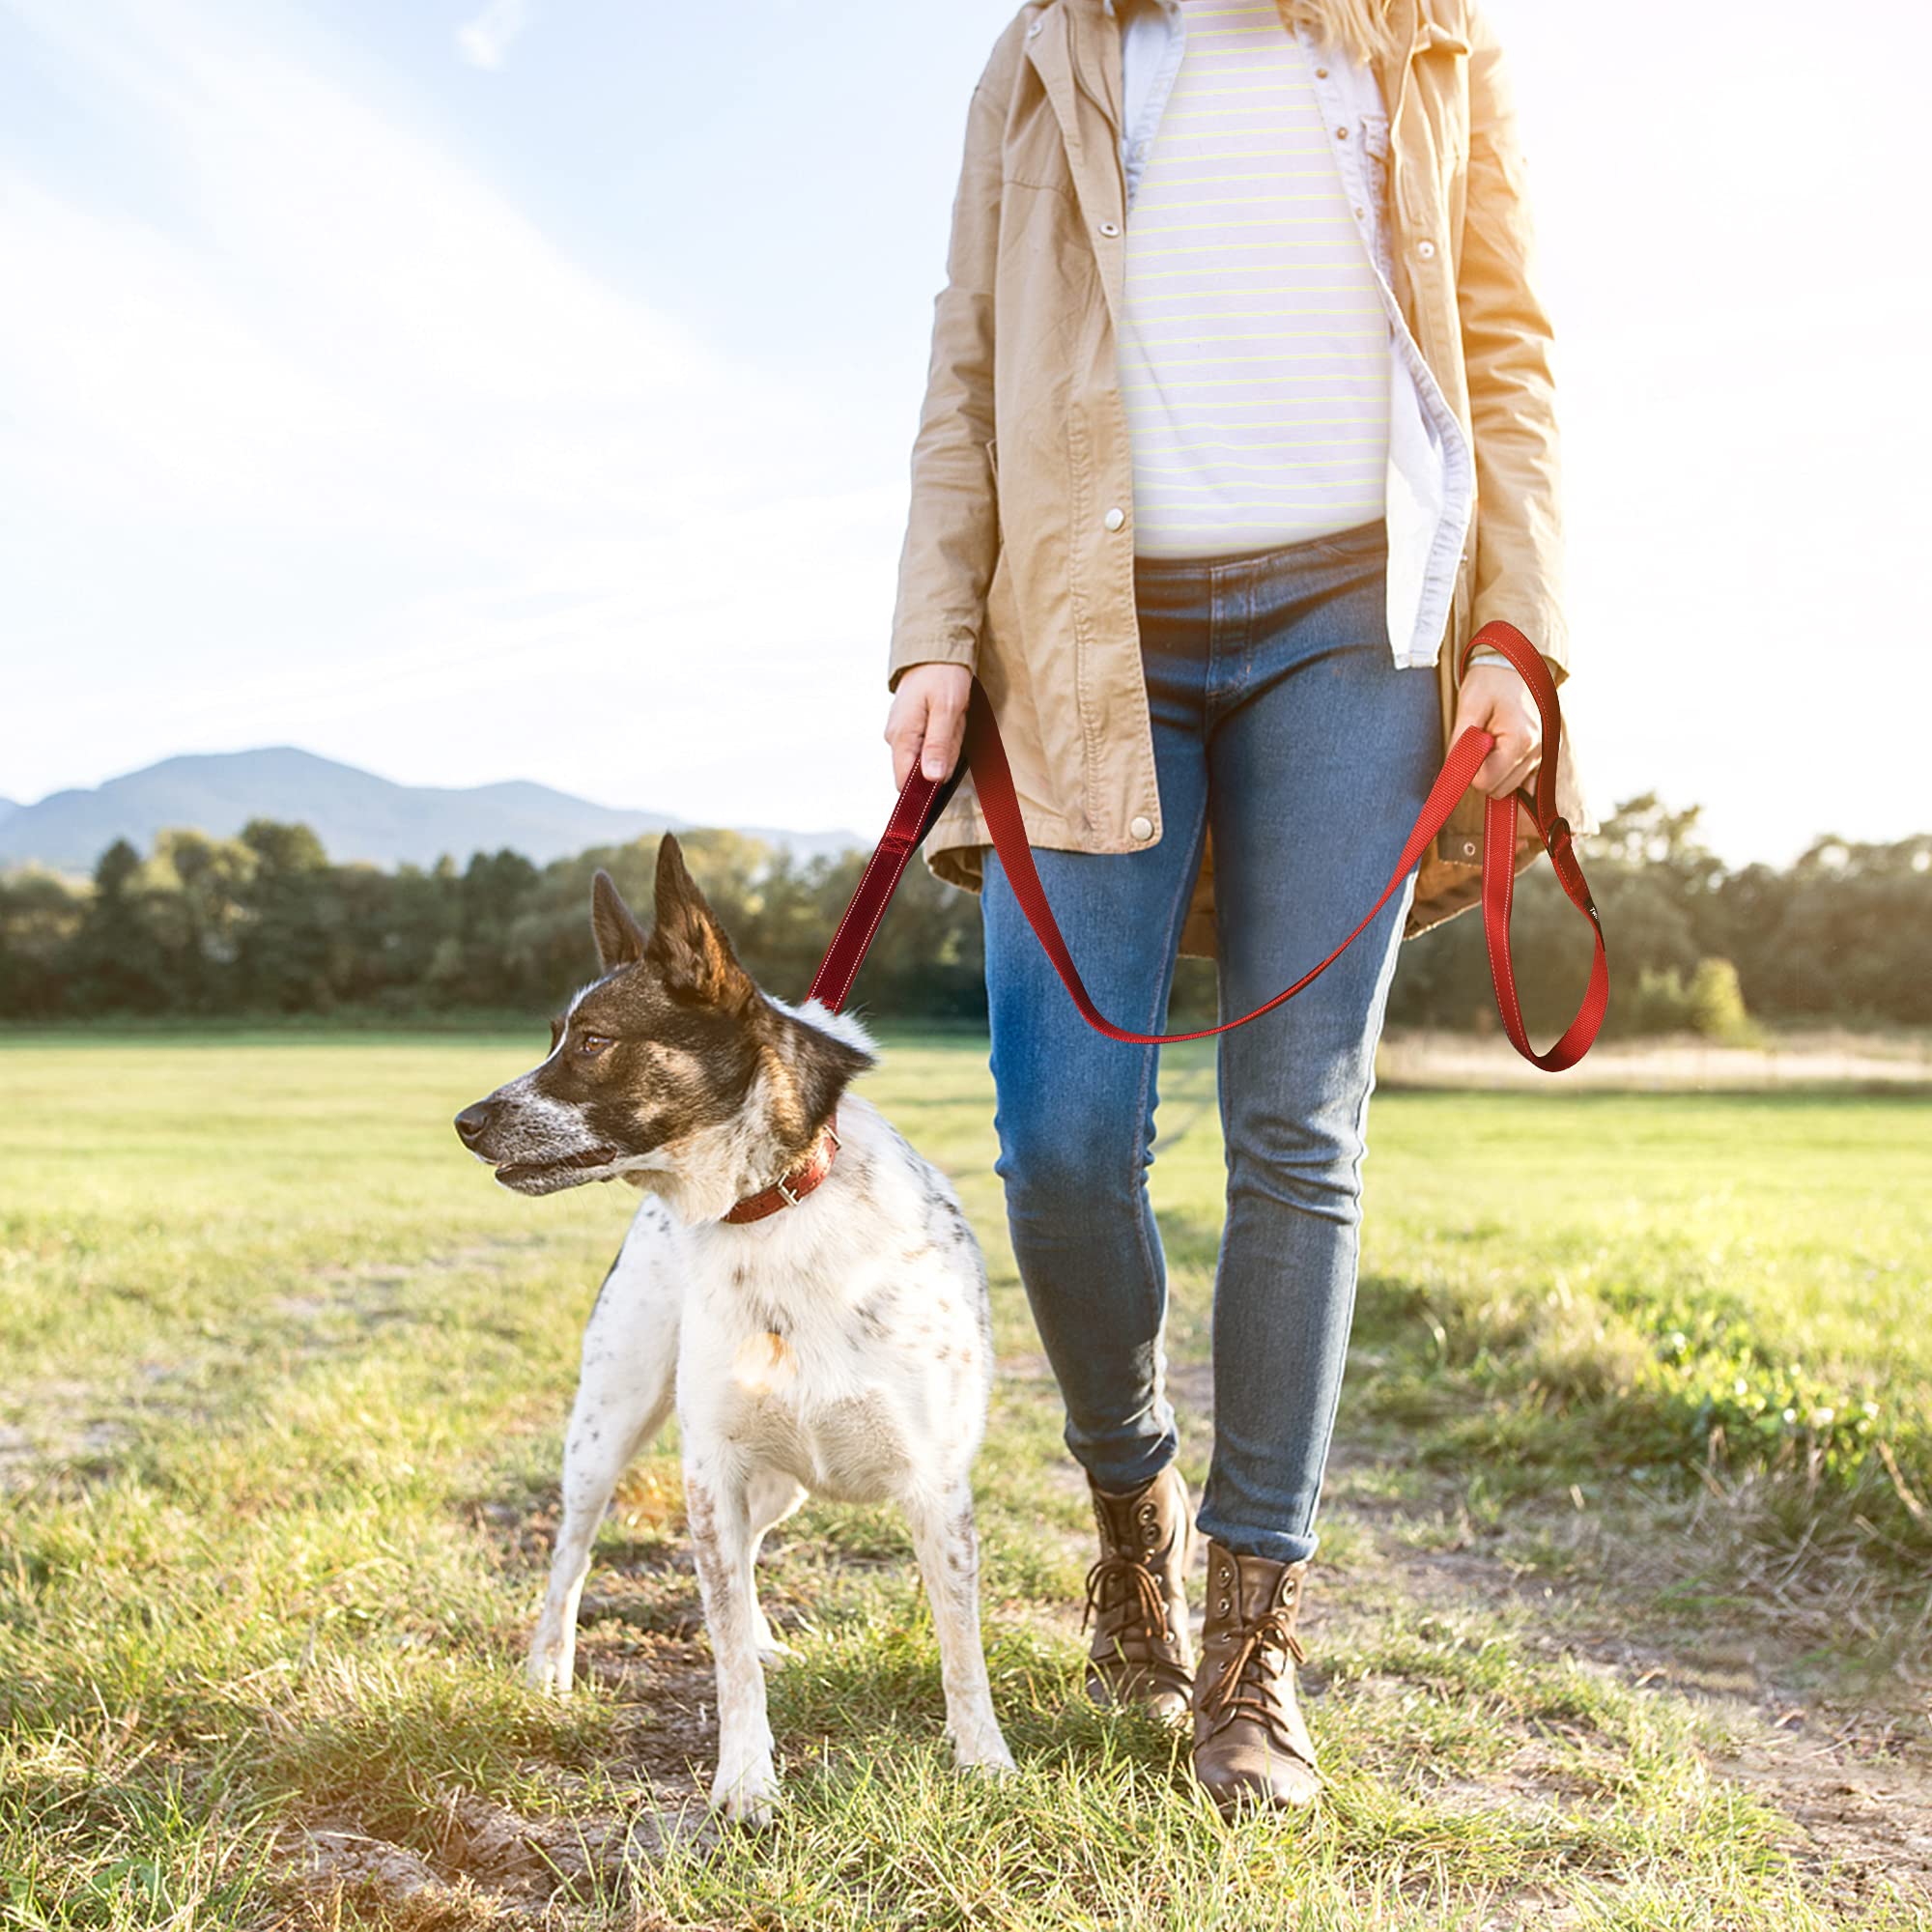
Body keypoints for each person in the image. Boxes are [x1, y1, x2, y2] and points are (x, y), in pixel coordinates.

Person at [881, 0, 1592, 1816]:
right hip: (1084, 622)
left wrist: (1518, 624)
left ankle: (1253, 1633)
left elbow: (1505, 350)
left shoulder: (1427, 43)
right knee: (1056, 1135)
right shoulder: (1046, 52)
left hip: (1353, 630)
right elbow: (966, 360)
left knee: (1297, 1124)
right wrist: (929, 637)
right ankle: (1136, 1502)